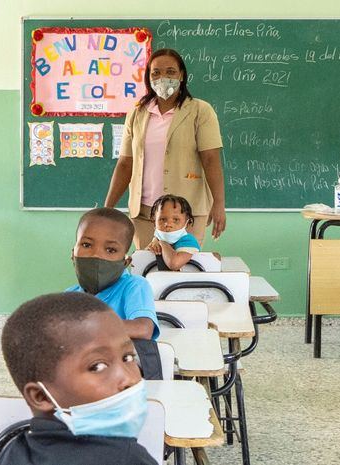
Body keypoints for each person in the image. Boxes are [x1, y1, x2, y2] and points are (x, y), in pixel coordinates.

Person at [0, 292, 156, 465]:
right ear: (41, 396)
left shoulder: (10, 451)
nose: (129, 379)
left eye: (128, 358)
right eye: (97, 367)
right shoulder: (126, 458)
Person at [104, 48, 226, 249]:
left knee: (183, 270)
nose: (163, 78)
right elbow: (126, 163)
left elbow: (211, 159)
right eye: (156, 73)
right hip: (145, 213)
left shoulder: (199, 111)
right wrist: (107, 209)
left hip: (186, 213)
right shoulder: (137, 114)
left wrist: (219, 204)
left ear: (181, 75)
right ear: (148, 77)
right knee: (148, 271)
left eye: (170, 72)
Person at [66, 207, 159, 341]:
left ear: (125, 262)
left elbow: (143, 329)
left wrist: (86, 327)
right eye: (86, 245)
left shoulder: (134, 286)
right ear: (73, 254)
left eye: (110, 250)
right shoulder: (69, 296)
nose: (96, 254)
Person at [146, 194, 200, 271]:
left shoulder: (189, 241)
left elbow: (174, 264)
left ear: (187, 223)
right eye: (163, 219)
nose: (168, 224)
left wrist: (162, 243)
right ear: (154, 222)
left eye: (176, 220)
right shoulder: (155, 242)